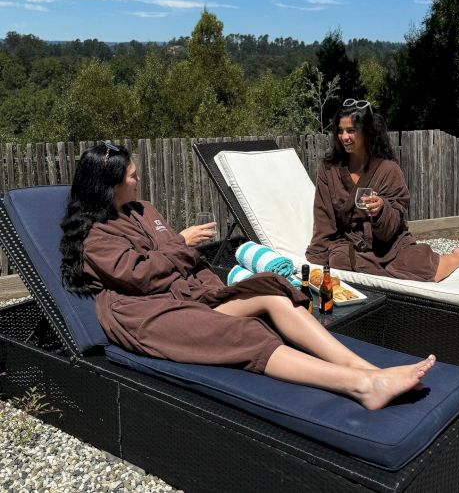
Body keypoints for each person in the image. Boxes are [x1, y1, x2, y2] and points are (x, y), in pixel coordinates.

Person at [60, 142, 436, 410]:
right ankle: (364, 387)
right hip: (148, 314)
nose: (137, 180)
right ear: (107, 187)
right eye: (131, 176)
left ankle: (368, 368)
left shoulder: (143, 209)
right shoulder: (96, 236)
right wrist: (181, 243)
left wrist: (195, 266)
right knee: (247, 333)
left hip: (190, 295)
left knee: (274, 291)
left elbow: (177, 258)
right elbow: (141, 276)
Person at [306, 99, 459, 282]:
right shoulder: (329, 169)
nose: (344, 137)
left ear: (367, 132)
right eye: (340, 131)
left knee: (422, 268)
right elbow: (323, 215)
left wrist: (381, 209)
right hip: (352, 244)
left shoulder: (388, 169)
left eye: (351, 130)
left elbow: (396, 217)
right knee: (340, 261)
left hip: (389, 244)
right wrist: (316, 257)